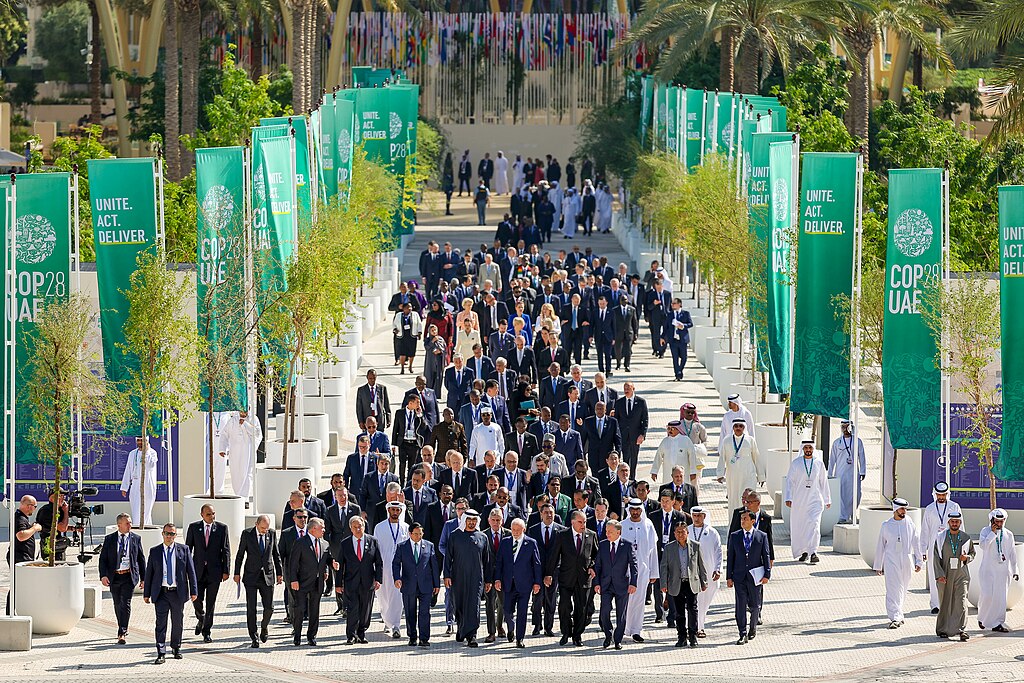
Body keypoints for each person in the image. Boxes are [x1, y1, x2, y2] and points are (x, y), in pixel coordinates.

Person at [143, 523, 198, 664]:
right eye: (167, 533)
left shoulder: (184, 550)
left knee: (177, 622)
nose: (169, 536)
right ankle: (161, 651)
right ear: (162, 534)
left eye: (172, 534)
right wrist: (147, 593)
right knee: (160, 623)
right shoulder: (155, 551)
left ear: (175, 535)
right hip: (161, 593)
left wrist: (194, 591)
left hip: (177, 593)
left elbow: (191, 572)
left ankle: (176, 648)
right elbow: (149, 573)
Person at [233, 515, 283, 648]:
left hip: (267, 575)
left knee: (269, 607)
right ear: (256, 524)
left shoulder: (271, 533)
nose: (265, 530)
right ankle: (253, 636)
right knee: (251, 608)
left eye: (266, 528)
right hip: (251, 576)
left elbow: (276, 554)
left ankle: (264, 626)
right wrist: (236, 573)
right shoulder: (247, 534)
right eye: (262, 528)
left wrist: (280, 573)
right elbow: (240, 554)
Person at [444, 509, 491, 647]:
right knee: (459, 604)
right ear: (464, 520)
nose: (471, 523)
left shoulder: (482, 537)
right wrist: (446, 575)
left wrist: (488, 580)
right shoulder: (454, 536)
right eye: (469, 520)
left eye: (474, 520)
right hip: (458, 577)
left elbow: (487, 561)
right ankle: (461, 628)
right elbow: (448, 558)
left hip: (476, 578)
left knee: (474, 605)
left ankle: (472, 635)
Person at [184, 504, 230, 642]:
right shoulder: (194, 528)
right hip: (197, 571)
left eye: (213, 514)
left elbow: (226, 550)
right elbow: (187, 550)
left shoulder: (222, 528)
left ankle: (207, 631)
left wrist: (226, 570)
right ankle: (201, 618)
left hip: (214, 572)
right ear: (202, 515)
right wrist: (186, 569)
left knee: (211, 602)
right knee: (196, 599)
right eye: (208, 514)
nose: (212, 516)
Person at [874, 498, 922, 629]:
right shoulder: (886, 525)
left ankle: (899, 614)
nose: (904, 511)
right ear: (895, 510)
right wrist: (878, 565)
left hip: (906, 561)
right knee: (892, 589)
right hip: (891, 561)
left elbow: (916, 542)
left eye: (905, 509)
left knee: (902, 589)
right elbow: (880, 546)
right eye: (901, 509)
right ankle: (894, 616)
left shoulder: (910, 523)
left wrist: (919, 561)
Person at [98, 512, 145, 644]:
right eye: (127, 523)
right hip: (114, 576)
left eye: (130, 522)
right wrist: (103, 575)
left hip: (129, 576)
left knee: (126, 603)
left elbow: (141, 559)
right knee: (117, 603)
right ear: (119, 525)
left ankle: (122, 631)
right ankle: (121, 625)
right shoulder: (110, 539)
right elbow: (103, 559)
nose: (130, 525)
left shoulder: (136, 538)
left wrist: (143, 578)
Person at [494, 518, 541, 647]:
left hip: (524, 584)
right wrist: (497, 579)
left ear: (523, 529)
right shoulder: (505, 542)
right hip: (508, 583)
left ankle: (520, 638)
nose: (515, 532)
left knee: (522, 612)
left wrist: (537, 582)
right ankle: (511, 628)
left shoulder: (531, 543)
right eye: (513, 529)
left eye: (517, 530)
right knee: (507, 610)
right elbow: (499, 563)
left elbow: (536, 564)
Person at [726, 511, 771, 645]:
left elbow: (766, 555)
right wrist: (729, 576)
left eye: (745, 519)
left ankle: (753, 627)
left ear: (752, 521)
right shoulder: (735, 536)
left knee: (755, 605)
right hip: (739, 576)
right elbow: (730, 558)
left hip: (755, 576)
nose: (742, 521)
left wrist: (767, 573)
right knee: (740, 605)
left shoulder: (761, 536)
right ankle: (742, 633)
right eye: (741, 519)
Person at [392, 521, 439, 647]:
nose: (419, 536)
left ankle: (424, 638)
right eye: (416, 534)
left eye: (421, 533)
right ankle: (412, 636)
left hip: (425, 585)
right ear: (410, 534)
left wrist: (437, 584)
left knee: (424, 612)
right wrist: (397, 578)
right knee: (410, 612)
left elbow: (433, 565)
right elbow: (396, 563)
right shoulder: (402, 546)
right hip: (408, 584)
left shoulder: (429, 545)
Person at [660, 523, 707, 648]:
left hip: (691, 582)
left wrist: (704, 581)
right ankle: (681, 637)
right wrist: (663, 584)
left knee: (693, 609)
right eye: (678, 532)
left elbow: (701, 565)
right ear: (674, 534)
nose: (680, 534)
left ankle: (693, 636)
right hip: (676, 583)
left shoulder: (695, 546)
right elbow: (664, 567)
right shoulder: (669, 548)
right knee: (679, 612)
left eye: (683, 532)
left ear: (687, 533)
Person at [288, 517, 333, 647]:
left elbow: (326, 559)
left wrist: (331, 565)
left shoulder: (325, 543)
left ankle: (311, 636)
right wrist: (293, 580)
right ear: (313, 529)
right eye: (322, 528)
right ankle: (297, 635)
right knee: (300, 610)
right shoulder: (301, 542)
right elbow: (293, 563)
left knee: (315, 611)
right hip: (302, 582)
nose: (324, 530)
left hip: (317, 583)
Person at [784, 441, 831, 564]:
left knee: (814, 525)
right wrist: (788, 497)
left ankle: (813, 552)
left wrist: (827, 499)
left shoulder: (819, 463)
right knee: (801, 527)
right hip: (799, 501)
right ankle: (804, 551)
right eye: (806, 448)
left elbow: (823, 482)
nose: (808, 450)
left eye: (810, 447)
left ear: (813, 449)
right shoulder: (796, 463)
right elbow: (790, 481)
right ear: (803, 449)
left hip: (815, 500)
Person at [337, 516, 382, 644]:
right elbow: (341, 564)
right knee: (352, 609)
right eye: (355, 527)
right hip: (351, 582)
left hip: (368, 582)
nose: (358, 529)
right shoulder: (345, 543)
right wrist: (338, 584)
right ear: (350, 528)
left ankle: (361, 633)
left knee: (365, 609)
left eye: (360, 526)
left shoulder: (372, 541)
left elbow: (379, 562)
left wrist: (378, 579)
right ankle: (351, 635)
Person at [593, 519, 636, 650]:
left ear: (619, 532)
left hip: (622, 584)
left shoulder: (627, 545)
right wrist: (597, 583)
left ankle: (618, 639)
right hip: (606, 585)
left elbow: (634, 565)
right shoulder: (603, 544)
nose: (607, 534)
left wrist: (633, 583)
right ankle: (608, 634)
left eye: (610, 531)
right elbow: (598, 565)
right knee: (604, 611)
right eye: (606, 531)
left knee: (621, 614)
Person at [619, 498, 659, 642]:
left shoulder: (648, 525)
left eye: (638, 510)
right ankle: (622, 628)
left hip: (643, 570)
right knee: (625, 601)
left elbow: (653, 550)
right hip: (625, 571)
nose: (635, 513)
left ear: (641, 511)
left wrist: (654, 572)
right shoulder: (622, 525)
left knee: (639, 601)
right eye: (632, 510)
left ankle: (636, 630)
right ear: (629, 510)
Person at [920, 481, 962, 614]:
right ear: (935, 494)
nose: (941, 497)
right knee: (934, 575)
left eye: (943, 495)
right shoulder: (930, 509)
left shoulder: (955, 507)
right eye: (939, 495)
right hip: (934, 547)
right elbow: (925, 531)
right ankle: (935, 604)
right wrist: (923, 550)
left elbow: (962, 527)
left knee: (951, 575)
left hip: (951, 547)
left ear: (947, 494)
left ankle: (948, 603)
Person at [932, 511, 975, 640]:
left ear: (960, 523)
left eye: (957, 521)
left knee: (961, 602)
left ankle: (962, 630)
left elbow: (973, 553)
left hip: (961, 575)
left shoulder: (966, 538)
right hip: (945, 575)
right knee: (945, 602)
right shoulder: (940, 537)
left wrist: (966, 557)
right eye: (952, 521)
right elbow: (935, 557)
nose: (955, 523)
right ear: (948, 522)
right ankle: (943, 629)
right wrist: (939, 575)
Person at [977, 508, 1019, 632]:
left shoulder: (1008, 534)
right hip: (988, 570)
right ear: (992, 520)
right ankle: (982, 618)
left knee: (1000, 599)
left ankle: (998, 623)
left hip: (1003, 571)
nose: (999, 524)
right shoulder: (985, 531)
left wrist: (1015, 570)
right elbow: (983, 546)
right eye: (997, 521)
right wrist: (993, 533)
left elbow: (1012, 553)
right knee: (987, 596)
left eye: (1001, 521)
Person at [375, 501, 411, 638]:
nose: (395, 512)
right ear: (388, 510)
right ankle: (386, 619)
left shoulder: (405, 527)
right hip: (384, 567)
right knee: (383, 595)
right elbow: (376, 549)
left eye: (397, 510)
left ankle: (396, 625)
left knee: (397, 595)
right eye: (392, 510)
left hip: (400, 568)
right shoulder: (380, 527)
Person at [716, 420, 764, 513]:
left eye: (740, 426)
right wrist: (720, 474)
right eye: (736, 426)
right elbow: (722, 458)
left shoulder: (750, 440)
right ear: (733, 427)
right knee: (733, 501)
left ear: (744, 428)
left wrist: (761, 476)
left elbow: (757, 458)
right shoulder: (727, 440)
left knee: (749, 500)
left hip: (748, 476)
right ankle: (733, 526)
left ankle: (750, 525)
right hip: (733, 478)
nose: (738, 428)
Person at [688, 507, 722, 638]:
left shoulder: (712, 532)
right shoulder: (687, 530)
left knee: (704, 601)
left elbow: (718, 552)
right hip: (691, 573)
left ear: (704, 516)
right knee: (694, 601)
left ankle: (698, 625)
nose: (696, 518)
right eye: (694, 516)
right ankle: (697, 627)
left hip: (709, 572)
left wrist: (718, 569)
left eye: (699, 516)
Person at [214, 410, 262, 499]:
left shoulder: (253, 419)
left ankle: (245, 498)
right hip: (235, 453)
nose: (243, 413)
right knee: (236, 474)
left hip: (248, 452)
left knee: (247, 474)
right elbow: (224, 434)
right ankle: (238, 496)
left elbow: (258, 434)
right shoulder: (233, 420)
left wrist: (245, 424)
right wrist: (222, 449)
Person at [828, 420, 866, 523]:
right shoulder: (837, 442)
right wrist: (829, 474)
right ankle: (842, 515)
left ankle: (853, 513)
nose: (845, 429)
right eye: (843, 427)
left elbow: (861, 457)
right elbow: (832, 459)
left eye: (847, 427)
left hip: (854, 473)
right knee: (841, 494)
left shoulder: (858, 441)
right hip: (840, 473)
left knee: (856, 494)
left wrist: (863, 471)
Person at [482, 509, 510, 641]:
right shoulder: (483, 535)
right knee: (490, 603)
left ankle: (500, 626)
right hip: (488, 575)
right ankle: (491, 631)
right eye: (493, 520)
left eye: (498, 520)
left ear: (502, 521)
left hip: (504, 575)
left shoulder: (509, 534)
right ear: (488, 521)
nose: (495, 522)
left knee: (503, 603)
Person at [121, 436, 159, 527]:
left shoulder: (152, 453)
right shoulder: (132, 454)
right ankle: (137, 527)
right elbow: (128, 470)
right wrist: (124, 487)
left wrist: (146, 452)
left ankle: (146, 527)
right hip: (135, 485)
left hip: (148, 485)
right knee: (136, 510)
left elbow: (150, 465)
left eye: (142, 440)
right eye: (138, 440)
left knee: (146, 510)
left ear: (146, 441)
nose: (140, 442)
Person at [650, 420, 697, 486]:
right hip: (668, 474)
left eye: (672, 429)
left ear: (678, 429)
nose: (670, 431)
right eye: (668, 429)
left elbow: (692, 457)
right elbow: (658, 456)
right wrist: (654, 471)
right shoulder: (665, 441)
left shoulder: (686, 440)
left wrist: (693, 472)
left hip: (682, 474)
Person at [614, 382, 648, 472]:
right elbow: (616, 420)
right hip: (623, 435)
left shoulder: (641, 402)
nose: (626, 390)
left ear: (633, 389)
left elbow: (645, 420)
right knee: (625, 458)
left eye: (628, 388)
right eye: (625, 388)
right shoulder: (619, 402)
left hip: (635, 435)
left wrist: (642, 434)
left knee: (634, 458)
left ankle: (632, 478)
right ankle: (625, 478)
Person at [678, 403, 708, 495]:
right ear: (683, 412)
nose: (690, 414)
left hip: (696, 459)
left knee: (695, 482)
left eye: (692, 412)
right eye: (688, 412)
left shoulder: (699, 426)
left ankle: (695, 502)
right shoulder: (678, 426)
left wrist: (699, 449)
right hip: (682, 458)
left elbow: (705, 441)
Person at [661, 299, 693, 380]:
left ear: (679, 304)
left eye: (674, 303)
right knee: (675, 358)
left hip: (682, 339)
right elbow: (666, 327)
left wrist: (683, 326)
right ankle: (677, 374)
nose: (672, 305)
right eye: (672, 303)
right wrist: (662, 337)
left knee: (684, 357)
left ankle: (680, 370)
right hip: (673, 339)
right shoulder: (670, 315)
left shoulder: (685, 313)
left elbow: (690, 324)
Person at [393, 302, 422, 375]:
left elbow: (419, 323)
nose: (409, 309)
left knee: (411, 353)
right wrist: (395, 329)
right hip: (402, 336)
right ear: (403, 309)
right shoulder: (398, 315)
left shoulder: (415, 314)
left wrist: (419, 332)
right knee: (402, 353)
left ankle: (410, 366)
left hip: (412, 336)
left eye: (410, 307)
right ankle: (402, 368)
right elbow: (394, 324)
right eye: (407, 307)